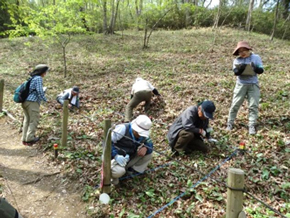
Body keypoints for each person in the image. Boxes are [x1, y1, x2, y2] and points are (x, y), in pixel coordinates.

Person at [227, 41, 264, 135]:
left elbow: (261, 70)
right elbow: (235, 72)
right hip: (241, 84)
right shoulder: (237, 60)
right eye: (240, 51)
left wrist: (255, 68)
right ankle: (230, 123)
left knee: (253, 105)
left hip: (253, 84)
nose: (242, 53)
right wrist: (240, 69)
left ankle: (251, 125)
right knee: (235, 104)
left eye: (244, 50)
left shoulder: (256, 57)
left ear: (248, 50)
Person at [110, 115, 153, 185]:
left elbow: (150, 143)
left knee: (148, 155)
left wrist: (146, 147)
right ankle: (113, 176)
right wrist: (115, 155)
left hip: (129, 157)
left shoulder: (143, 136)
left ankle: (131, 171)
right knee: (119, 172)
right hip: (113, 158)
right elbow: (107, 142)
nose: (140, 135)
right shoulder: (123, 129)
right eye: (139, 132)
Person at [22, 64, 48, 146]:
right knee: (34, 120)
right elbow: (40, 91)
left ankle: (25, 138)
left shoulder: (32, 78)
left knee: (27, 120)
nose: (46, 73)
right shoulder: (38, 78)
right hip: (32, 102)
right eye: (45, 71)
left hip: (25, 101)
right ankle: (30, 139)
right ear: (42, 72)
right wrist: (45, 100)